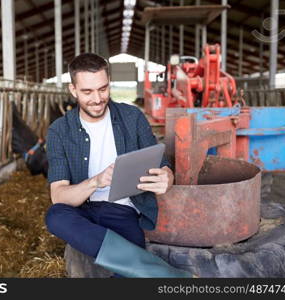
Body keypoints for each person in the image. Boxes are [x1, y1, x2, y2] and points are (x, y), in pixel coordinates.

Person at [45, 53, 191, 278]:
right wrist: (97, 181)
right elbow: (59, 195)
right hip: (82, 211)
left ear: (109, 84)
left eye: (103, 89)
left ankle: (144, 268)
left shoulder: (132, 117)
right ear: (73, 90)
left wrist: (167, 177)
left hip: (123, 210)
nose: (97, 98)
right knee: (55, 215)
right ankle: (168, 275)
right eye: (87, 92)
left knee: (127, 274)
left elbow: (162, 164)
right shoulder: (59, 131)